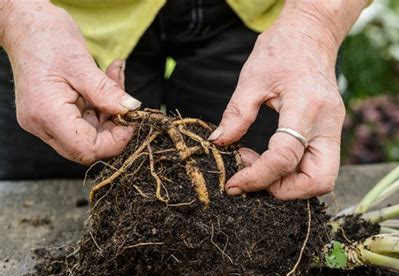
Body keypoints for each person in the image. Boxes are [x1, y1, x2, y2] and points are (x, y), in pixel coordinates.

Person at [0, 0, 369, 199]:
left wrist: (316, 23)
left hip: (268, 25)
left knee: (262, 196)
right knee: (59, 197)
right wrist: (15, 17)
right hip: (57, 25)